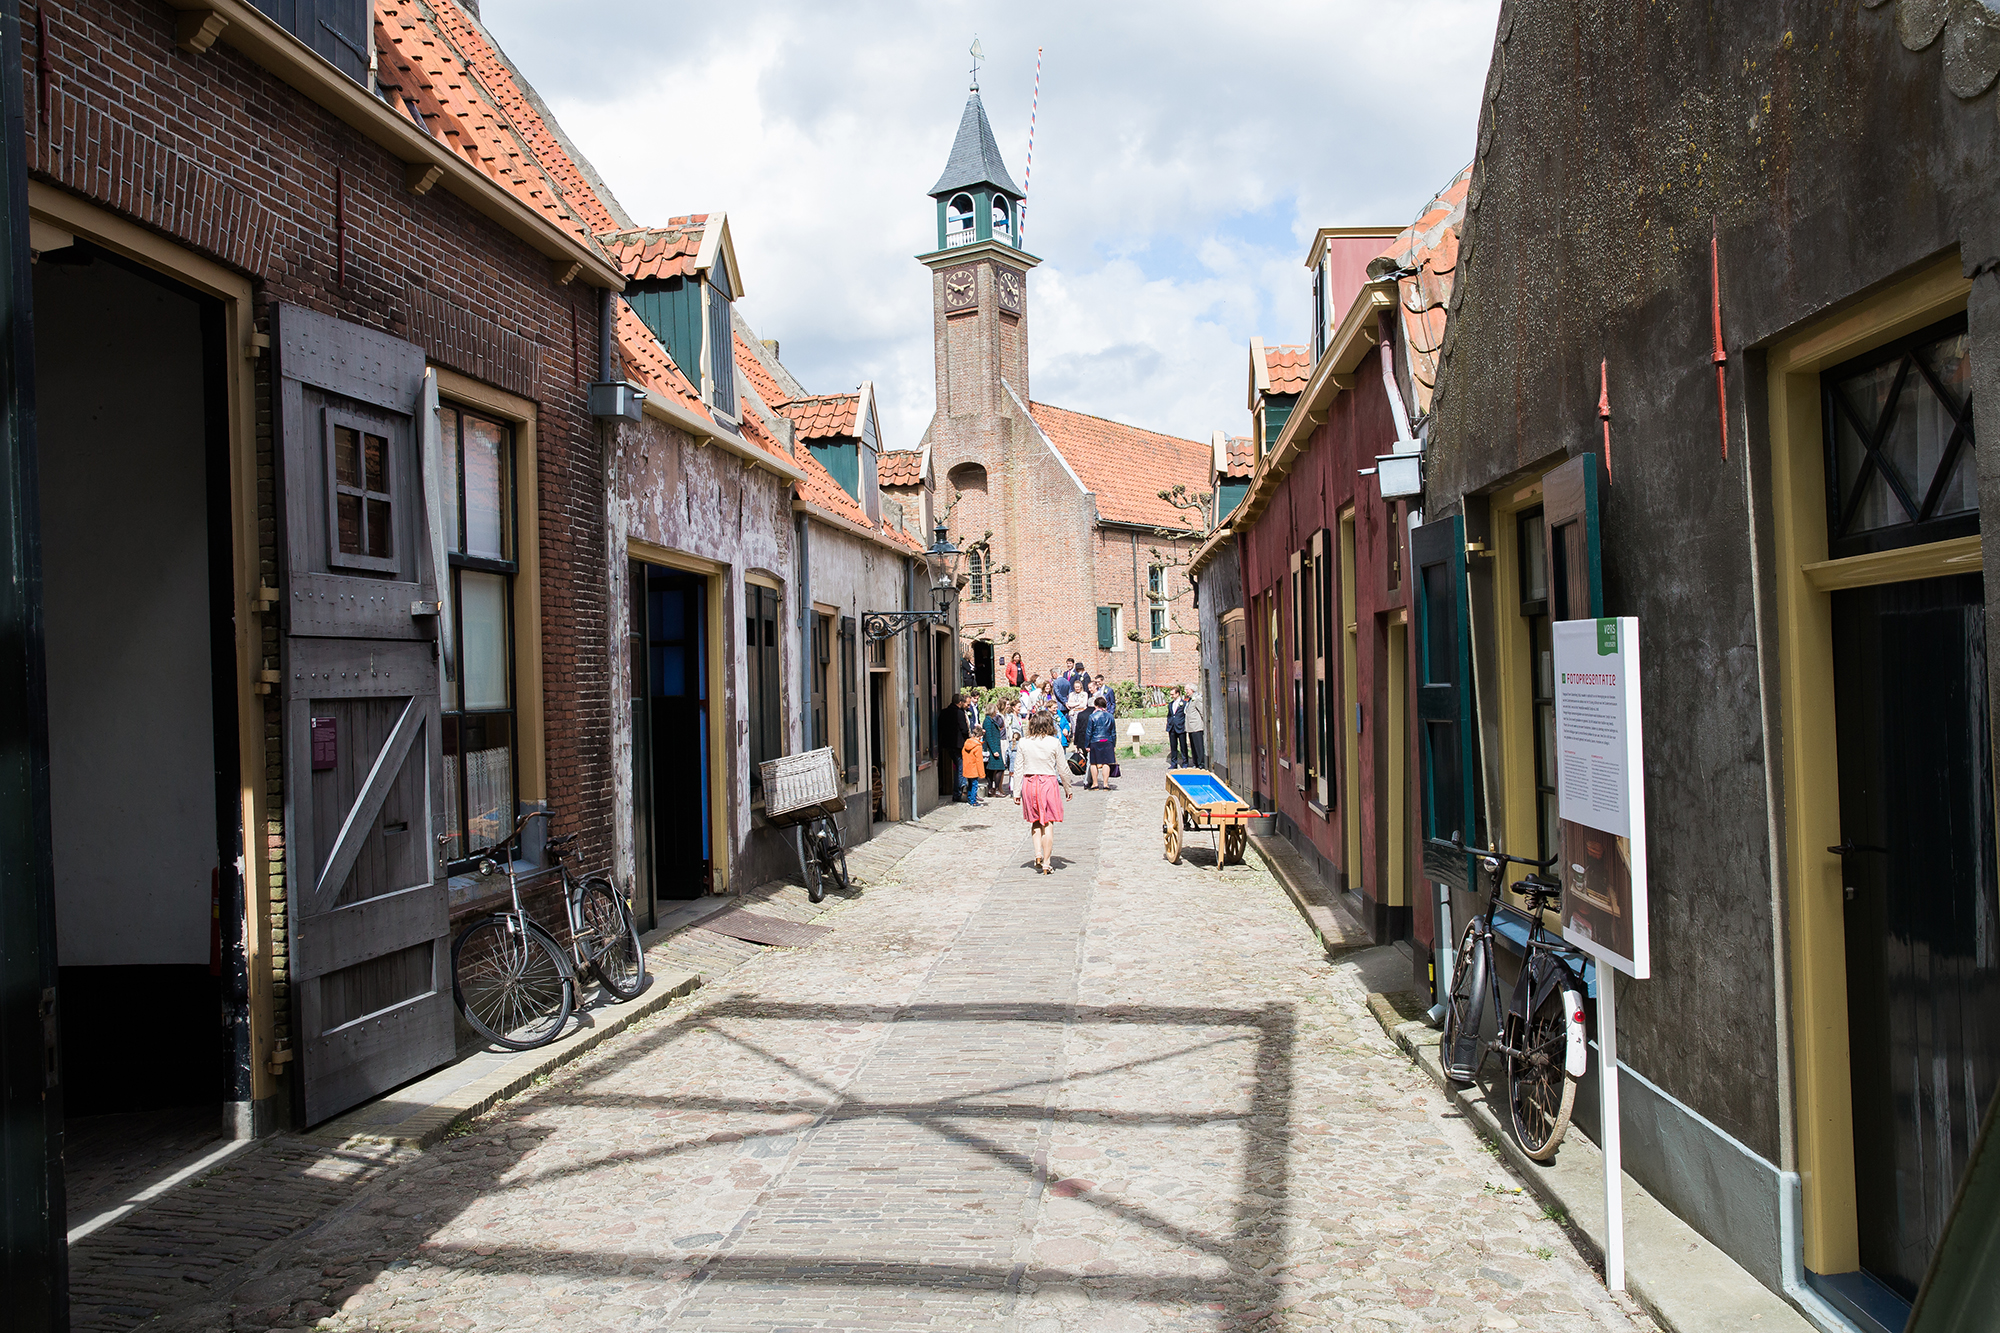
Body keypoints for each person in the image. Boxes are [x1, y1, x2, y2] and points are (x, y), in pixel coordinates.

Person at [1014, 710, 1073, 873]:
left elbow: (1018, 768)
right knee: (1048, 822)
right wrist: (1068, 788)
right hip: (1048, 782)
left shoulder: (1024, 743)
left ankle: (1038, 854)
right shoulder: (1054, 742)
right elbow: (1063, 768)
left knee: (1035, 821)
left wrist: (1016, 792)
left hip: (1029, 783)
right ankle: (1047, 862)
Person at [940, 691, 971, 802]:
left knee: (958, 767)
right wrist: (968, 739)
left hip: (947, 743)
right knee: (960, 768)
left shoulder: (944, 712)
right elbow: (963, 729)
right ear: (960, 702)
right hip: (958, 744)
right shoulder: (959, 713)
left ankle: (959, 790)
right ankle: (958, 792)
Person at [1084, 692, 1118, 791]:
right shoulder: (1110, 716)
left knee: (1094, 762)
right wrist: (1114, 744)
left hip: (1095, 741)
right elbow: (1113, 732)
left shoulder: (1092, 717)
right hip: (1107, 741)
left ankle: (1095, 784)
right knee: (1106, 762)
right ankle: (1106, 784)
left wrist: (1087, 745)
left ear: (1096, 705)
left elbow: (1089, 732)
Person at [982, 707, 1007, 801]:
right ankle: (994, 789)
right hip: (993, 748)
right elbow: (989, 737)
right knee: (999, 768)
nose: (996, 712)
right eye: (995, 710)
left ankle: (991, 789)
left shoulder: (991, 720)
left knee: (992, 770)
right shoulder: (987, 721)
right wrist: (993, 750)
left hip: (996, 747)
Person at [961, 722, 986, 805]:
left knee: (969, 784)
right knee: (975, 785)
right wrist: (982, 774)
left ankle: (969, 798)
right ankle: (973, 801)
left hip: (967, 768)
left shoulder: (967, 743)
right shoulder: (977, 746)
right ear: (979, 736)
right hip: (974, 769)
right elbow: (979, 761)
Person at [1184, 685, 1208, 770]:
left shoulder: (1197, 698)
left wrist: (1204, 724)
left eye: (1187, 689)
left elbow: (1202, 712)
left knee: (1198, 746)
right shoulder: (1190, 700)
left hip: (1197, 726)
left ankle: (1201, 763)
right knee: (1193, 746)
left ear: (1192, 690)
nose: (1186, 691)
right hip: (1190, 727)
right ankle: (1196, 762)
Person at [1166, 687, 1188, 767]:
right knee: (1173, 746)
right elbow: (1169, 715)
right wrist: (1169, 723)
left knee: (1183, 746)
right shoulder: (1170, 704)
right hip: (1172, 728)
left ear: (1177, 694)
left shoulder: (1184, 703)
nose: (1171, 696)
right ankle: (1173, 763)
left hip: (1181, 727)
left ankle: (1185, 762)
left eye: (1172, 694)